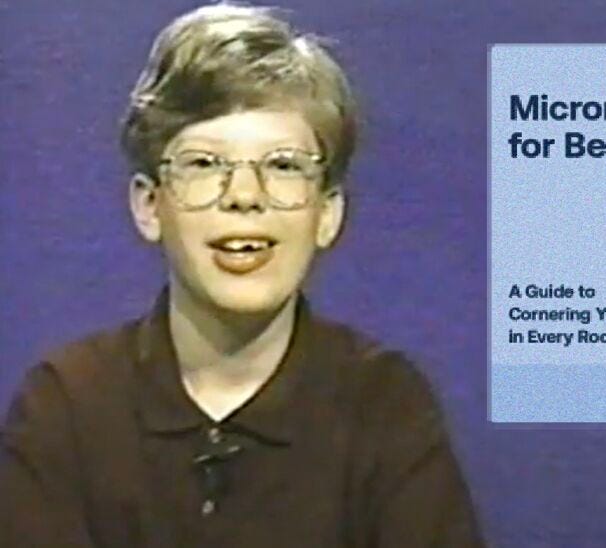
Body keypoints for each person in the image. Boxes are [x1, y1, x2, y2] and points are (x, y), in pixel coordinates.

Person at [0, 4, 484, 547]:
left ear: (327, 213)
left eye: (283, 165)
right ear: (149, 205)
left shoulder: (385, 405)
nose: (245, 196)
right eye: (205, 164)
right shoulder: (66, 405)